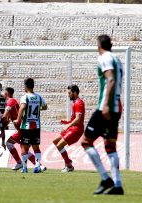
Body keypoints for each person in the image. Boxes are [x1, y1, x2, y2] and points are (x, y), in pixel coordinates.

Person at [81, 34, 124, 195]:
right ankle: (118, 185)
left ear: (99, 46)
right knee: (110, 146)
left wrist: (105, 104)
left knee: (86, 142)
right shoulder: (118, 59)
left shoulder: (105, 57)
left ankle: (106, 178)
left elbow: (111, 79)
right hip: (117, 107)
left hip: (106, 107)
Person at [1, 87, 46, 171]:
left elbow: (4, 116)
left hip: (23, 128)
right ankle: (39, 165)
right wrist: (3, 128)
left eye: (3, 92)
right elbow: (7, 119)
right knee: (24, 148)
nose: (1, 94)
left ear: (6, 93)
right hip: (21, 128)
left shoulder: (11, 101)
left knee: (11, 144)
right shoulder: (10, 103)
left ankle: (21, 163)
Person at [14, 78, 47, 173]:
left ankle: (25, 168)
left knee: (24, 147)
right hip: (36, 126)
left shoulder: (25, 97)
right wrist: (36, 108)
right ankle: (37, 166)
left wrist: (18, 119)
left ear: (25, 86)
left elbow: (22, 107)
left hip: (26, 126)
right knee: (36, 146)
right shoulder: (38, 97)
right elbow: (45, 106)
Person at [52, 85, 85, 172]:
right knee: (55, 141)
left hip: (77, 130)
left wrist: (67, 126)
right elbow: (74, 119)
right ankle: (68, 162)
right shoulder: (75, 102)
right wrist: (66, 122)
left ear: (74, 92)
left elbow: (78, 119)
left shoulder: (79, 103)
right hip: (73, 128)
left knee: (59, 145)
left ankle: (69, 165)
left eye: (69, 93)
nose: (68, 95)